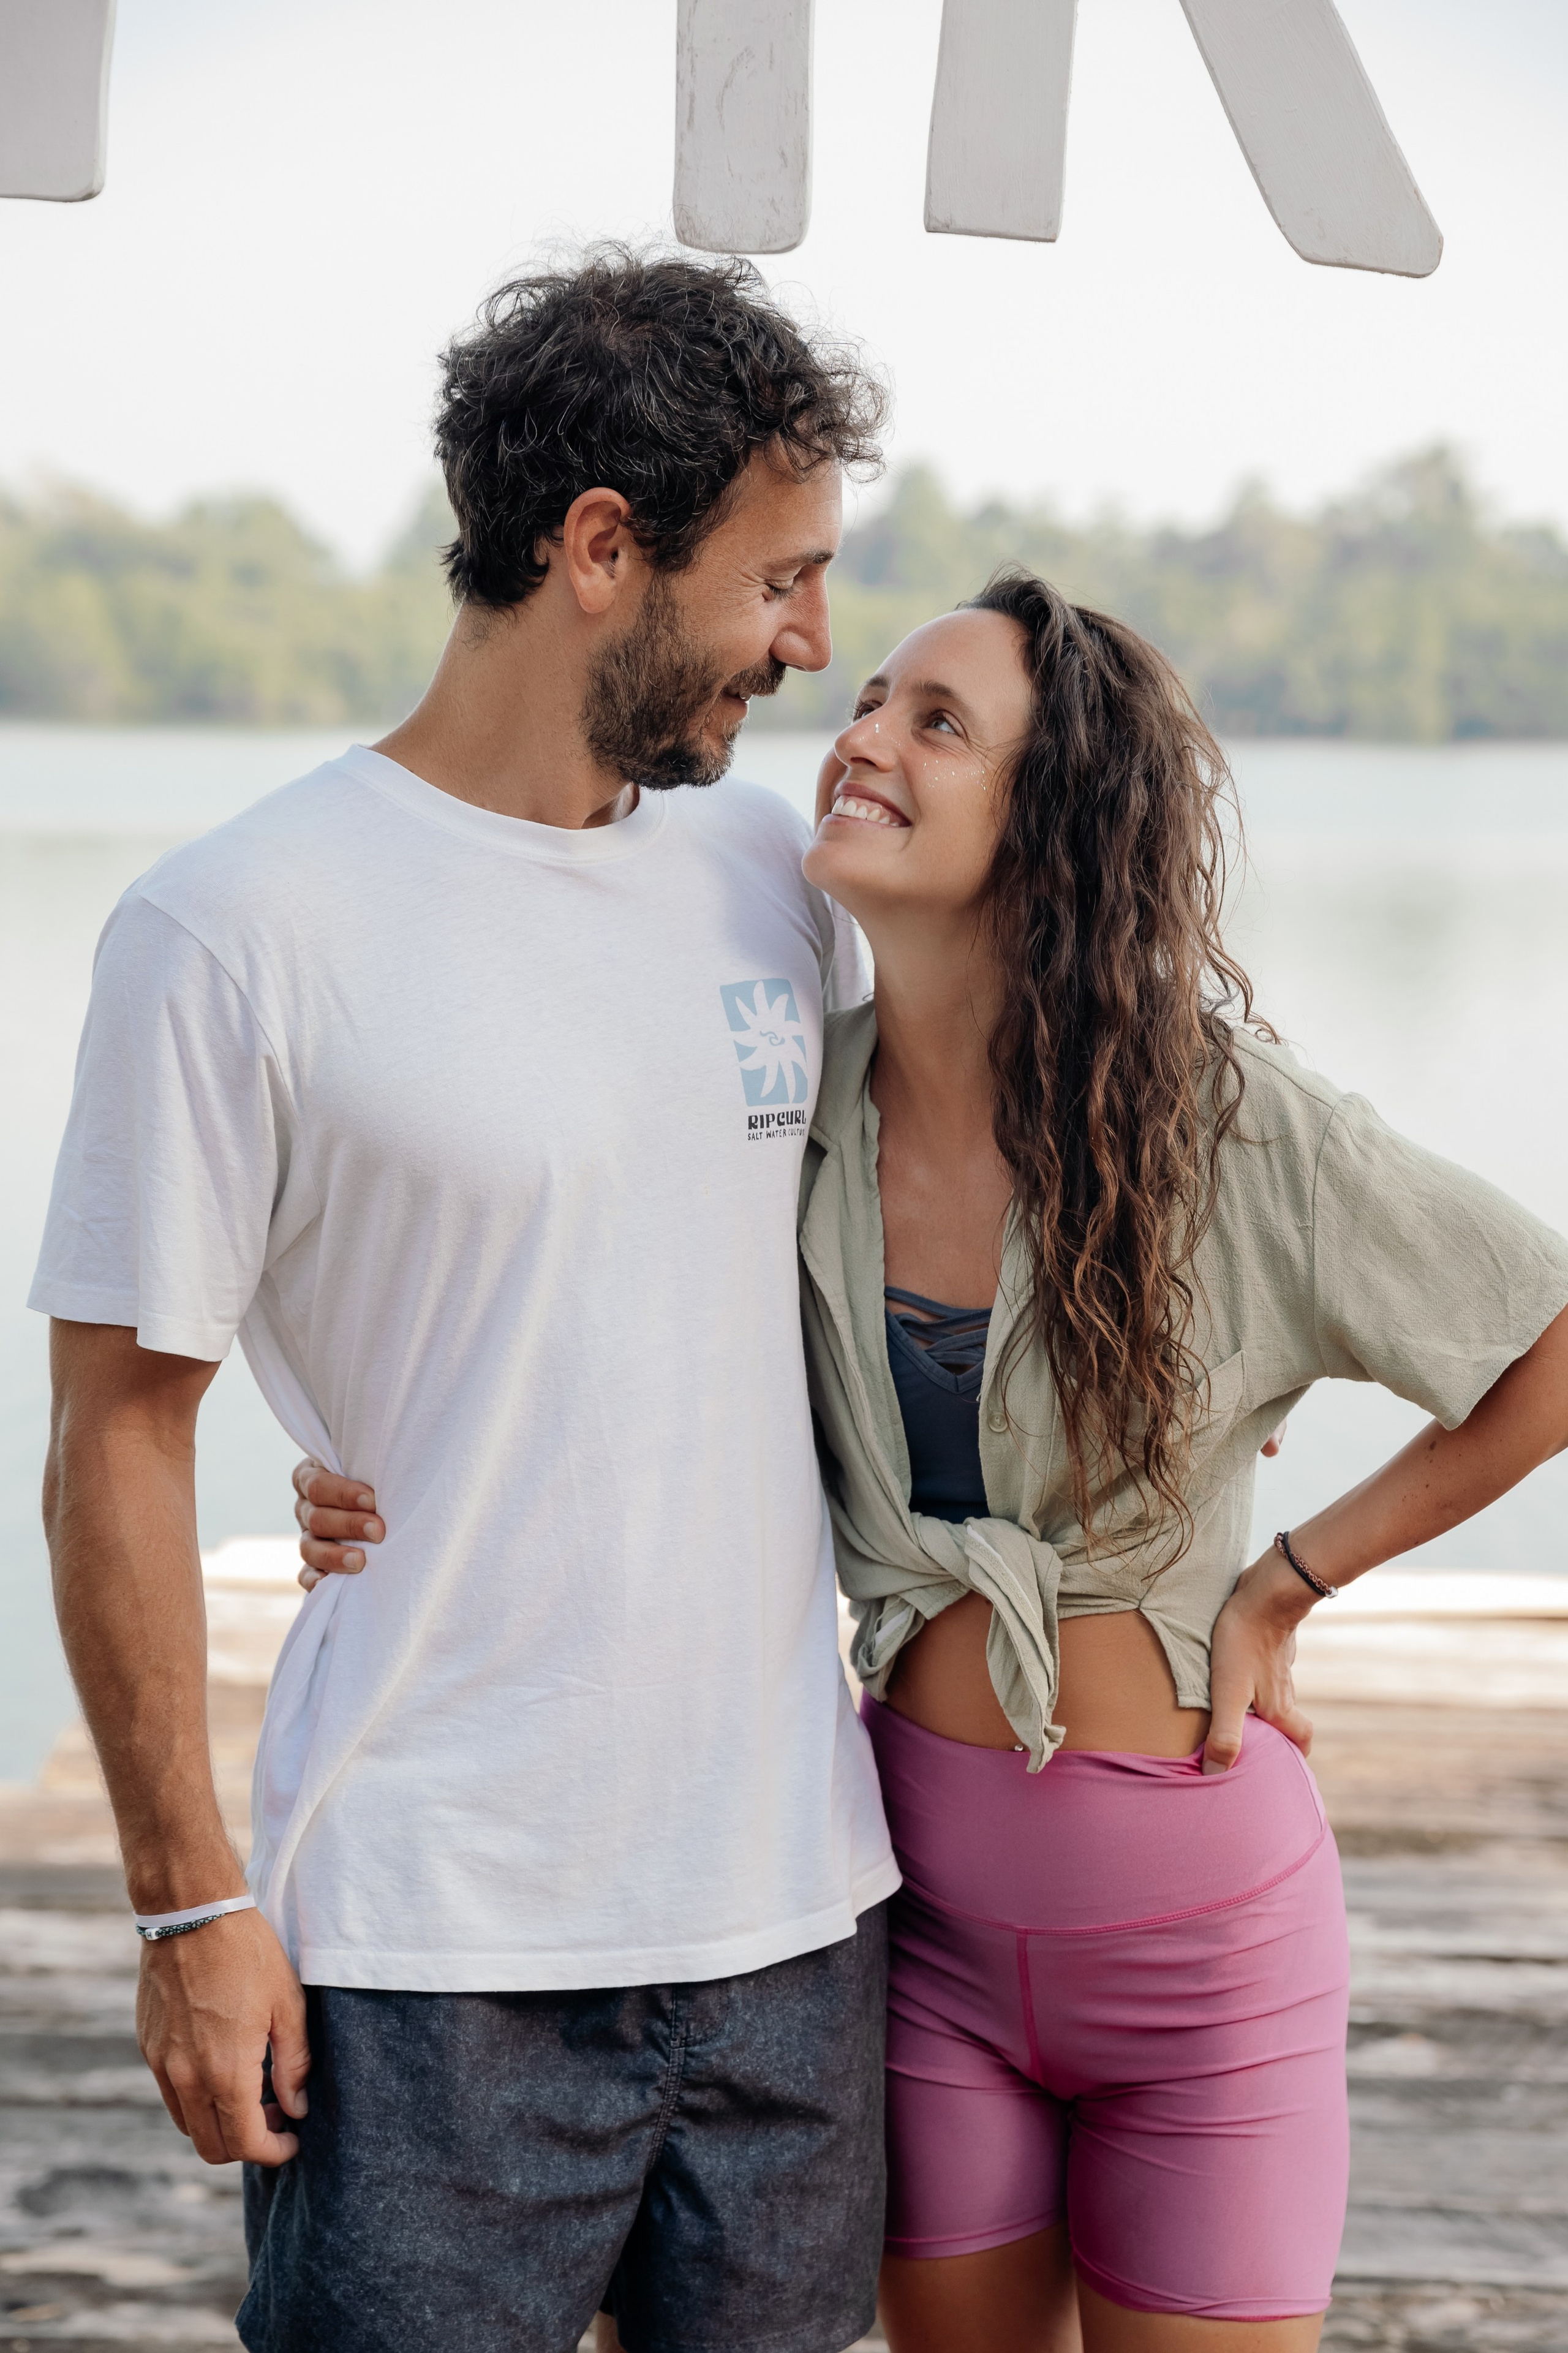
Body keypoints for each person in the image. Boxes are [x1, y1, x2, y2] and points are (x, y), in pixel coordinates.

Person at [302, 572, 1568, 2351]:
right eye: (875, 698)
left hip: (1207, 1953)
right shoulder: (779, 1106)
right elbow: (556, 1313)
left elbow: (1542, 1339)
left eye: (937, 722)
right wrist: (359, 1458)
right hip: (924, 1938)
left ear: (1047, 822)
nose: (866, 738)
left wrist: (1296, 1574)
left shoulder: (1219, 1119)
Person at [32, 249, 902, 2353]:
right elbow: (117, 1438)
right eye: (777, 578)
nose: (810, 641)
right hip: (431, 1955)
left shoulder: (779, 879)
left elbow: (980, 1197)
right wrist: (186, 1906)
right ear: (601, 548)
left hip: (799, 1918)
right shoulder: (236, 929)